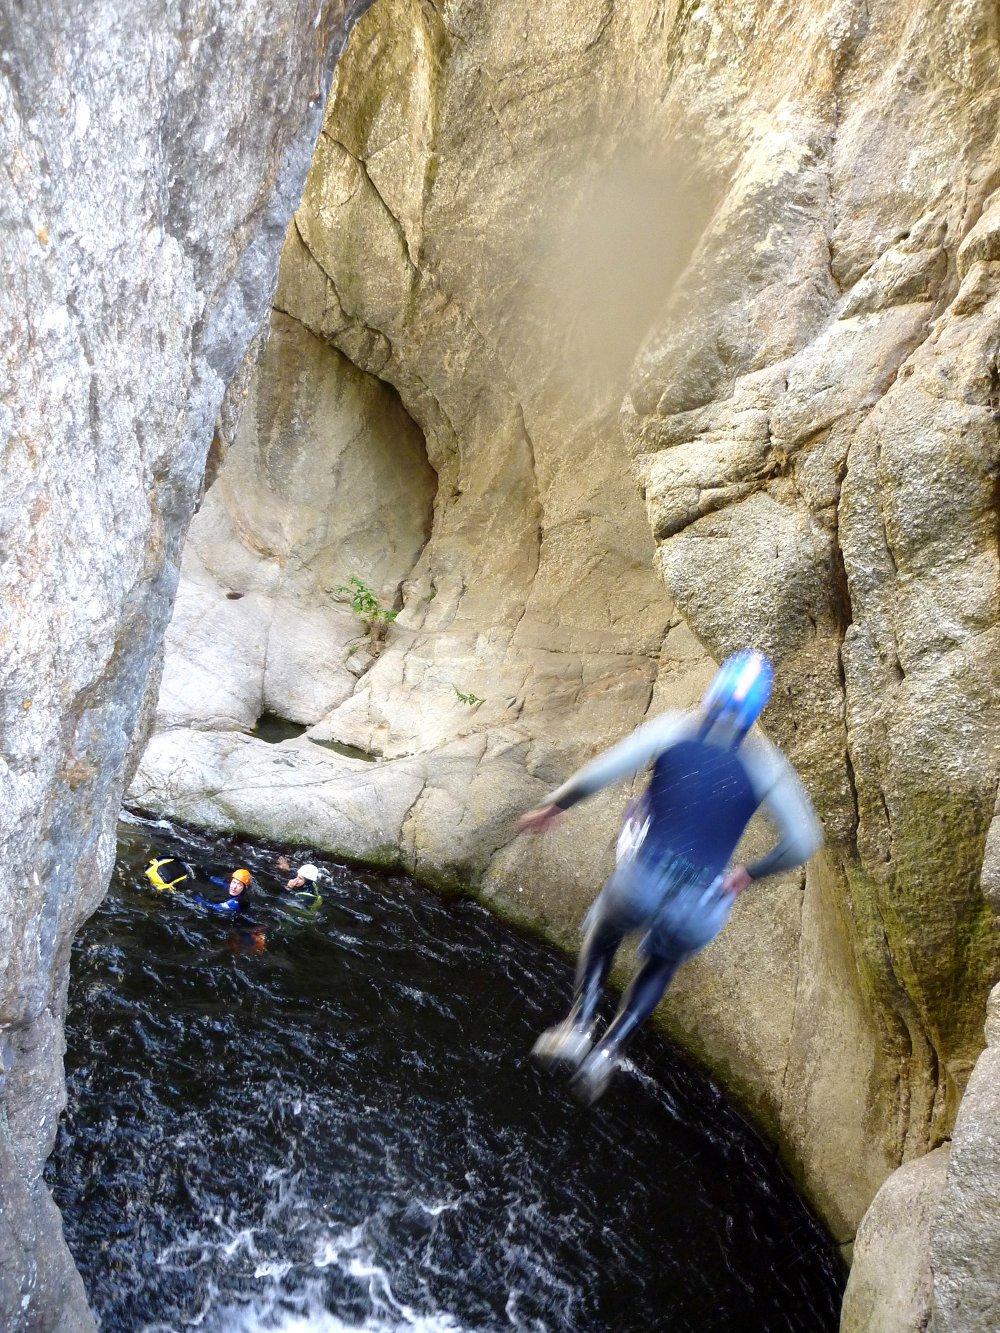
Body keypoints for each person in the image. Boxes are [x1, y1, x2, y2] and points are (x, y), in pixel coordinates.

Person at [517, 649, 823, 1103]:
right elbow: (804, 840)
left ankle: (579, 1026)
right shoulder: (766, 766)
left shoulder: (672, 730)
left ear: (714, 692)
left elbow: (600, 774)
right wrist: (750, 873)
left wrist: (554, 807)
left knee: (604, 932)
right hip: (702, 902)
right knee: (661, 964)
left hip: (644, 878)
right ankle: (608, 1053)